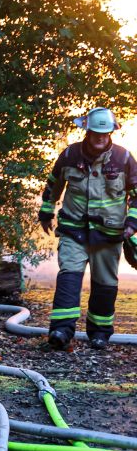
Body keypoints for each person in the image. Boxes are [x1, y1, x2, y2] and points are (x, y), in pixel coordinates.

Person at [39, 106, 137, 350]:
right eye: (96, 133)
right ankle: (61, 331)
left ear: (111, 132)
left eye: (105, 134)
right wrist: (46, 212)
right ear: (87, 131)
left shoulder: (124, 159)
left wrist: (132, 223)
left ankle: (100, 333)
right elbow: (53, 184)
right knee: (69, 278)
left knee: (105, 285)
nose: (100, 138)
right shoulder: (70, 155)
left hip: (109, 234)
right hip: (74, 230)